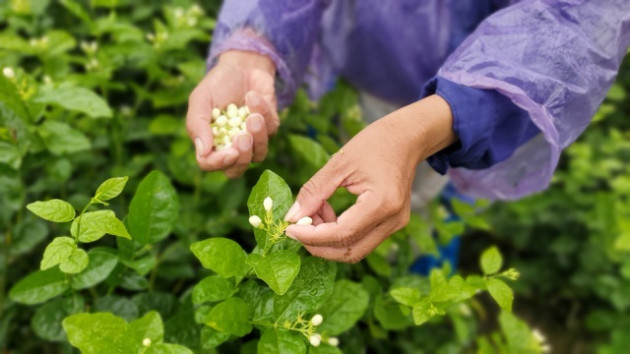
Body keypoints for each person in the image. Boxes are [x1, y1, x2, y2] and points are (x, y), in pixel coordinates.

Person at [187, 1, 630, 263]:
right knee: (350, 183)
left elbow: (575, 20)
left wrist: (431, 124)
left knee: (425, 226)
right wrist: (252, 45)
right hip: (357, 58)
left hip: (469, 102)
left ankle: (413, 276)